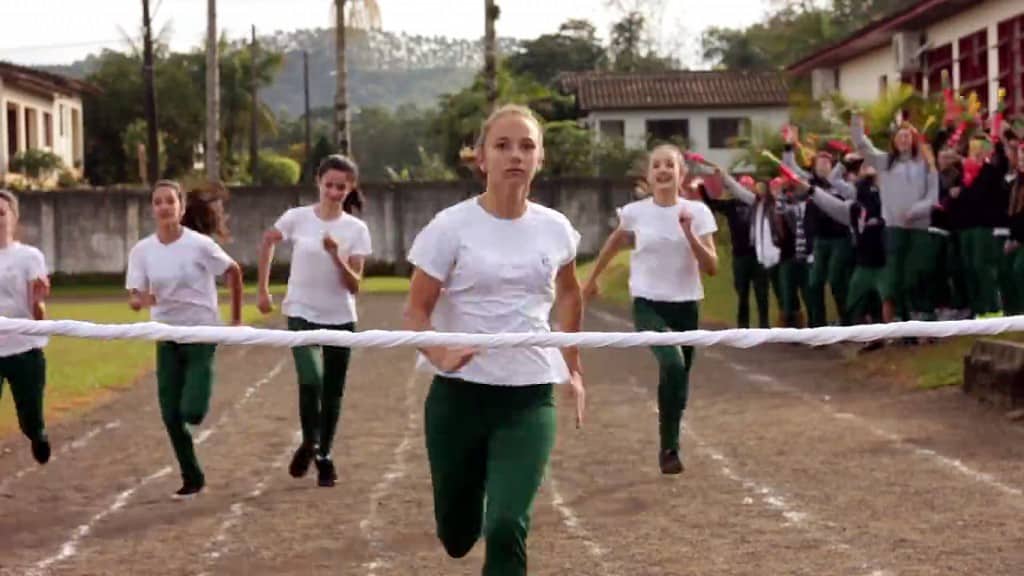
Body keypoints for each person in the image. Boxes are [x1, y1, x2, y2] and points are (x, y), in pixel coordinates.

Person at [403, 104, 584, 576]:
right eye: (503, 145)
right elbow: (415, 311)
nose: (515, 155)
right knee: (458, 535)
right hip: (458, 399)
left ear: (540, 158)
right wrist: (440, 351)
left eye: (527, 146)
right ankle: (459, 521)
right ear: (481, 158)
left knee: (505, 525)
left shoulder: (556, 228)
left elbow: (568, 295)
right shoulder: (449, 227)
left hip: (529, 399)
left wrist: (574, 366)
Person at [584, 143, 718, 474]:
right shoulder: (636, 213)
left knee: (679, 379)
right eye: (656, 165)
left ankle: (668, 447)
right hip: (648, 304)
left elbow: (712, 266)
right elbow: (614, 242)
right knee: (671, 365)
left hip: (686, 305)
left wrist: (689, 234)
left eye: (669, 165)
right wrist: (593, 279)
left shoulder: (697, 213)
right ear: (648, 175)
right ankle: (670, 446)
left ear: (681, 175)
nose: (662, 170)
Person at [257, 154, 372, 487]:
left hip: (340, 316)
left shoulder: (356, 229)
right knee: (311, 380)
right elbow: (268, 241)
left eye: (342, 187)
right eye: (329, 185)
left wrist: (337, 256)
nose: (334, 192)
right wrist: (263, 289)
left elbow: (355, 285)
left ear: (351, 189)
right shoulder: (297, 218)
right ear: (318, 183)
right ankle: (310, 440)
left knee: (333, 391)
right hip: (300, 311)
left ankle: (323, 455)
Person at [126, 180, 243, 498]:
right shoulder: (143, 250)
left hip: (201, 331)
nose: (164, 207)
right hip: (166, 334)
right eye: (157, 202)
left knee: (191, 409)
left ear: (181, 207)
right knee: (170, 415)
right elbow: (136, 295)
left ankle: (195, 414)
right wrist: (140, 301)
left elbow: (233, 271)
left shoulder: (199, 245)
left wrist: (235, 320)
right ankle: (192, 476)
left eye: (169, 201)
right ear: (152, 209)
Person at [851, 115, 939, 322]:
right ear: (894, 140)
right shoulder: (885, 162)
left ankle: (922, 316)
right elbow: (863, 147)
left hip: (919, 228)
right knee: (895, 275)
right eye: (900, 136)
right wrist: (856, 125)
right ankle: (900, 319)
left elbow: (932, 197)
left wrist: (915, 211)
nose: (904, 140)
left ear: (913, 139)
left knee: (916, 273)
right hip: (893, 228)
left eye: (907, 136)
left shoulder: (925, 164)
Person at [0, 189, 52, 465]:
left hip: (25, 349)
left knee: (30, 419)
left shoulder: (29, 256)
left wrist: (39, 301)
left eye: (1, 213)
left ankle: (38, 434)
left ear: (14, 217)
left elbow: (38, 314)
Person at [699, 175, 770, 328]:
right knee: (742, 293)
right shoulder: (731, 205)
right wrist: (701, 188)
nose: (744, 188)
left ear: (752, 188)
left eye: (748, 185)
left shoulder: (760, 204)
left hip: (759, 256)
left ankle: (765, 326)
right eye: (742, 185)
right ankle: (743, 326)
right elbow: (712, 204)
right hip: (740, 256)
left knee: (762, 293)